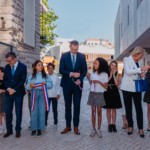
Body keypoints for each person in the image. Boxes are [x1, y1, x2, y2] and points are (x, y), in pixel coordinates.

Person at [120, 46, 149, 138]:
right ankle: (130, 126)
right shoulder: (126, 59)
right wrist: (141, 69)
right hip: (127, 88)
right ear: (138, 53)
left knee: (139, 108)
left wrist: (143, 75)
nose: (142, 57)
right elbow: (128, 72)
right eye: (141, 55)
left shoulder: (139, 62)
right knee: (128, 108)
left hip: (137, 88)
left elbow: (139, 74)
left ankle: (140, 128)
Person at [59, 40, 87, 135]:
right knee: (67, 106)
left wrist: (80, 79)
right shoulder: (64, 56)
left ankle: (76, 127)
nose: (75, 51)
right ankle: (68, 126)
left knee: (77, 106)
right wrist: (71, 73)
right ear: (70, 47)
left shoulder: (82, 56)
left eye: (76, 49)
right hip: (66, 85)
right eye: (73, 49)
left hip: (77, 86)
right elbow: (61, 70)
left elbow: (84, 71)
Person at [3, 52, 27, 138]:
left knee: (18, 112)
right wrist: (9, 89)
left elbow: (22, 80)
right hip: (8, 93)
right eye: (7, 61)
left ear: (14, 59)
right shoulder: (6, 67)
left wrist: (14, 89)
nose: (9, 63)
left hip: (18, 93)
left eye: (10, 61)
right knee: (8, 112)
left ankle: (18, 130)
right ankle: (9, 130)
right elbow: (5, 79)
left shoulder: (23, 67)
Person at [26, 60, 53, 137]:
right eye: (38, 65)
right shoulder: (31, 76)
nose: (40, 66)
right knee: (34, 111)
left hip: (42, 94)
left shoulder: (45, 76)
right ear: (35, 67)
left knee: (41, 112)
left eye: (41, 65)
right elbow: (27, 86)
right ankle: (33, 129)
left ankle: (40, 129)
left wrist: (46, 84)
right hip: (34, 94)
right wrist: (30, 85)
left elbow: (50, 85)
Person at [87, 58, 109, 138]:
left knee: (99, 112)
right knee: (93, 111)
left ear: (100, 64)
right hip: (92, 93)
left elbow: (106, 87)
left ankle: (99, 129)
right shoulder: (93, 73)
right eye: (94, 63)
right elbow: (91, 83)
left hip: (99, 94)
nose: (94, 65)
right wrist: (89, 78)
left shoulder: (104, 74)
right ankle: (93, 129)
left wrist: (99, 82)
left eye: (96, 63)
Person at [103, 61, 122, 132]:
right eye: (112, 65)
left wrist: (114, 75)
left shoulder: (117, 74)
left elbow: (117, 84)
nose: (113, 67)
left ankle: (114, 125)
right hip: (107, 91)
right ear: (109, 66)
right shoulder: (106, 73)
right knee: (108, 109)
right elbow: (104, 83)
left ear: (116, 67)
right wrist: (110, 76)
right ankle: (109, 125)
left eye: (115, 66)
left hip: (114, 91)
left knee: (114, 109)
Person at [45, 63, 61, 130]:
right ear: (47, 69)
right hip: (47, 96)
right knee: (46, 110)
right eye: (49, 68)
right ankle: (45, 124)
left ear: (53, 69)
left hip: (54, 96)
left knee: (55, 110)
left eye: (51, 68)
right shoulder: (45, 76)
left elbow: (59, 86)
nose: (50, 69)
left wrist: (58, 94)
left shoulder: (56, 77)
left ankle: (55, 124)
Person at [143, 61, 150, 131]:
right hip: (149, 93)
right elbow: (147, 82)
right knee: (149, 109)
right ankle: (149, 124)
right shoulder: (148, 73)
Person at [0, 67, 6, 134]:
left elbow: (9, 90)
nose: (0, 74)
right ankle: (0, 127)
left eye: (1, 72)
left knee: (5, 113)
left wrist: (3, 90)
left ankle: (7, 127)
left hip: (5, 98)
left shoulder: (6, 80)